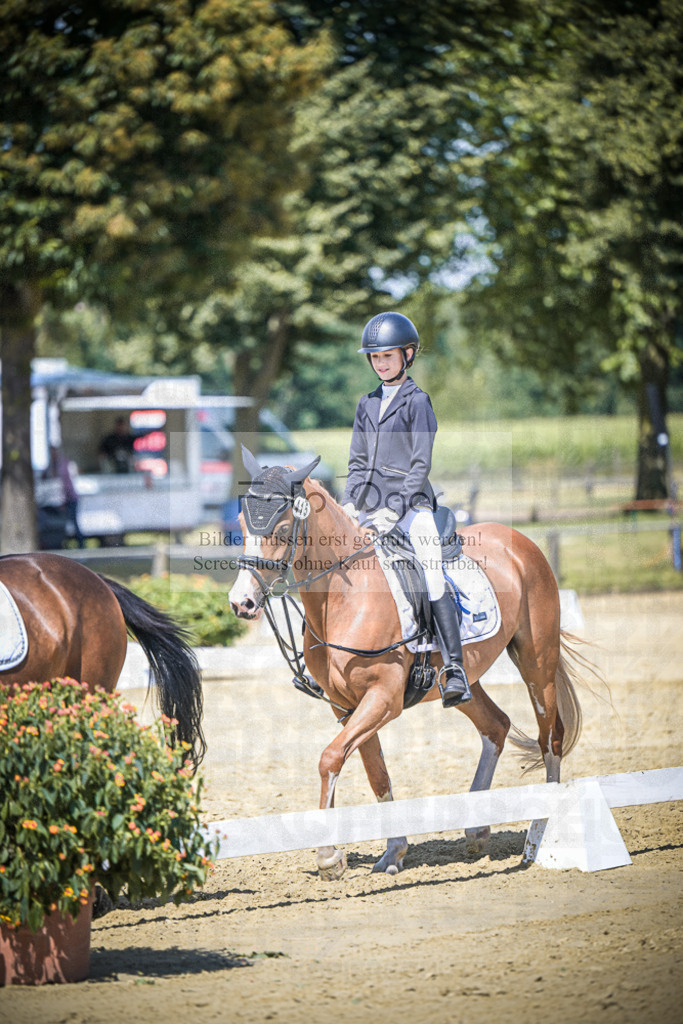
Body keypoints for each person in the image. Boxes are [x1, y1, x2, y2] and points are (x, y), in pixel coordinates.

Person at [342, 311, 471, 708]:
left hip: (413, 508)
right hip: (370, 509)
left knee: (431, 572)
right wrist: (350, 502)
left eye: (388, 356)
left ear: (407, 355)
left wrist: (393, 510)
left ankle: (453, 668)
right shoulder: (366, 404)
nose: (381, 363)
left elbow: (420, 465)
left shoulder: (418, 403)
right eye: (375, 358)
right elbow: (358, 464)